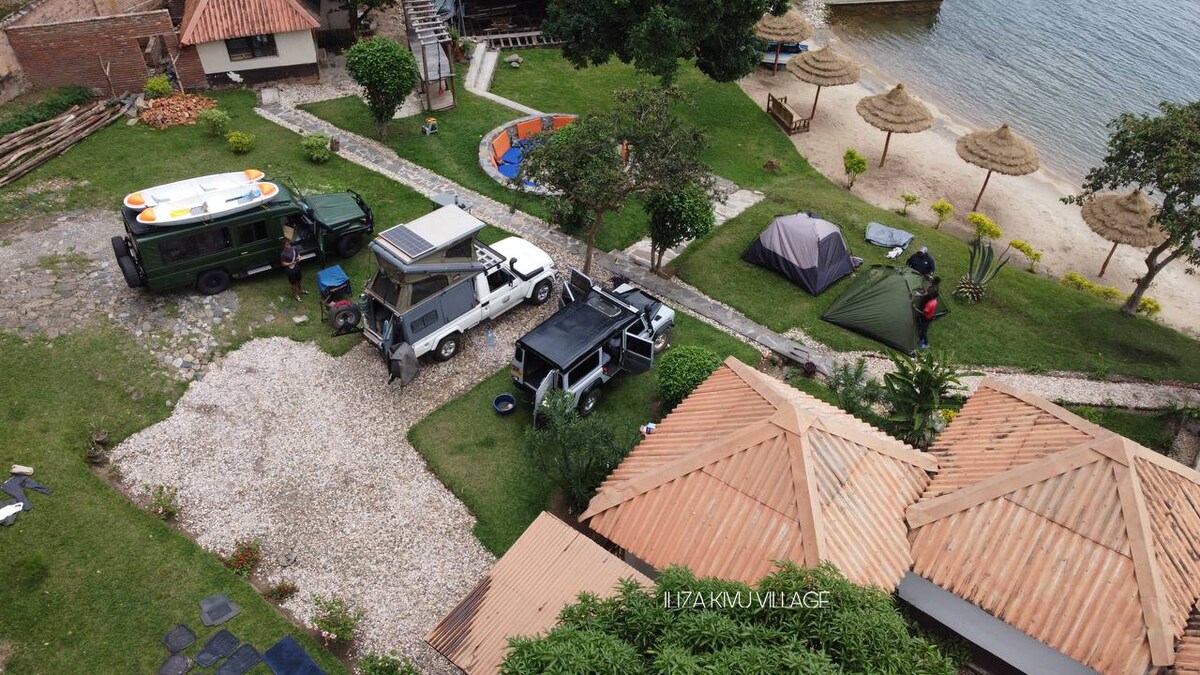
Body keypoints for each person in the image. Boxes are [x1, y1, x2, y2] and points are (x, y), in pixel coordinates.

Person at [914, 277, 941, 350]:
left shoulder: (929, 304)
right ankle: (922, 339)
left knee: (924, 331)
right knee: (924, 328)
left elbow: (924, 313)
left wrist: (916, 309)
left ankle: (925, 343)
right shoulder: (934, 301)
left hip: (926, 317)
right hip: (929, 317)